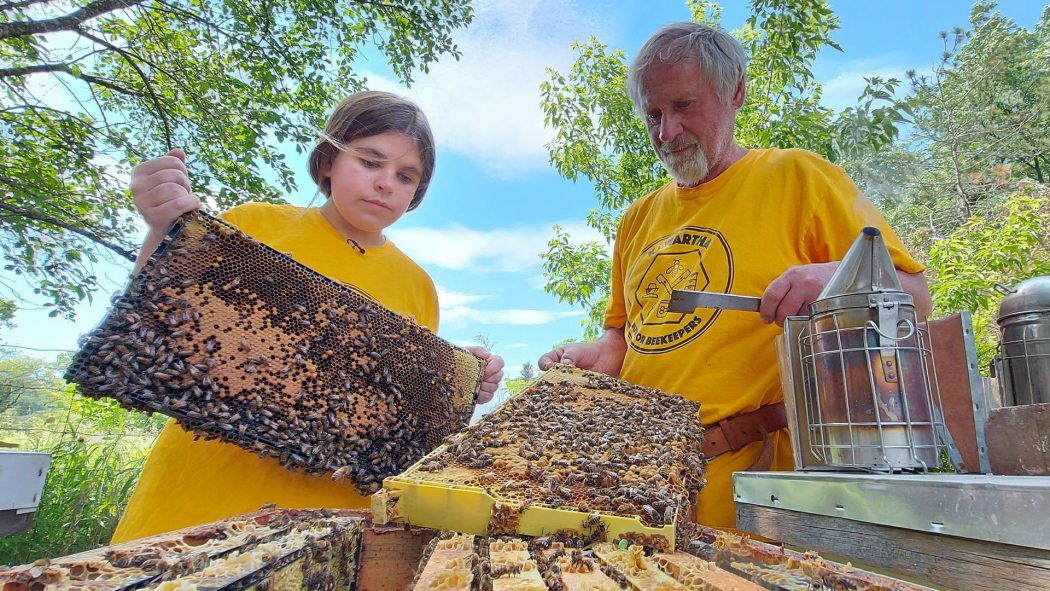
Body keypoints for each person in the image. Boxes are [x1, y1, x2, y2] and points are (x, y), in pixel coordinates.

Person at [539, 23, 932, 530]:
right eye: (653, 114)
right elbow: (624, 338)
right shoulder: (636, 218)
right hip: (636, 492)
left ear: (736, 92)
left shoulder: (798, 177)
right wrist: (598, 354)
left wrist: (836, 280)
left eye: (684, 106)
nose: (666, 132)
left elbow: (916, 297)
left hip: (757, 493)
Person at [111, 91, 504, 542]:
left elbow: (396, 407)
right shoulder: (253, 225)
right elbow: (155, 323)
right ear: (328, 161)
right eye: (370, 161)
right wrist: (164, 229)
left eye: (405, 175)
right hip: (201, 501)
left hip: (334, 524)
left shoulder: (419, 286)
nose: (385, 183)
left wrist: (456, 376)